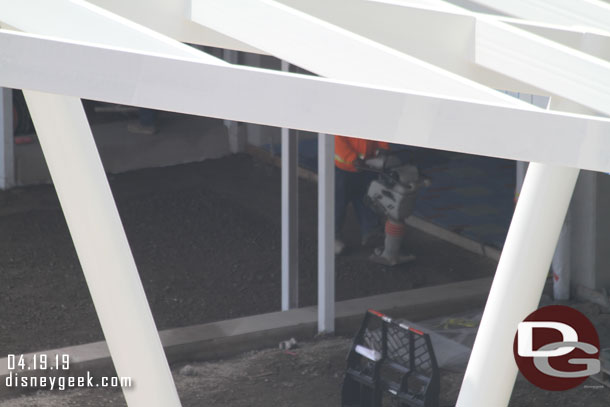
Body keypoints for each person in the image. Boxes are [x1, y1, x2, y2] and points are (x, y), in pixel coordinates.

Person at [334, 135, 389, 255]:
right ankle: (332, 237)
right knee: (338, 204)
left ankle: (371, 231)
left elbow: (380, 128)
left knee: (368, 199)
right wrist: (352, 159)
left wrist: (383, 148)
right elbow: (337, 138)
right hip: (344, 168)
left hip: (367, 166)